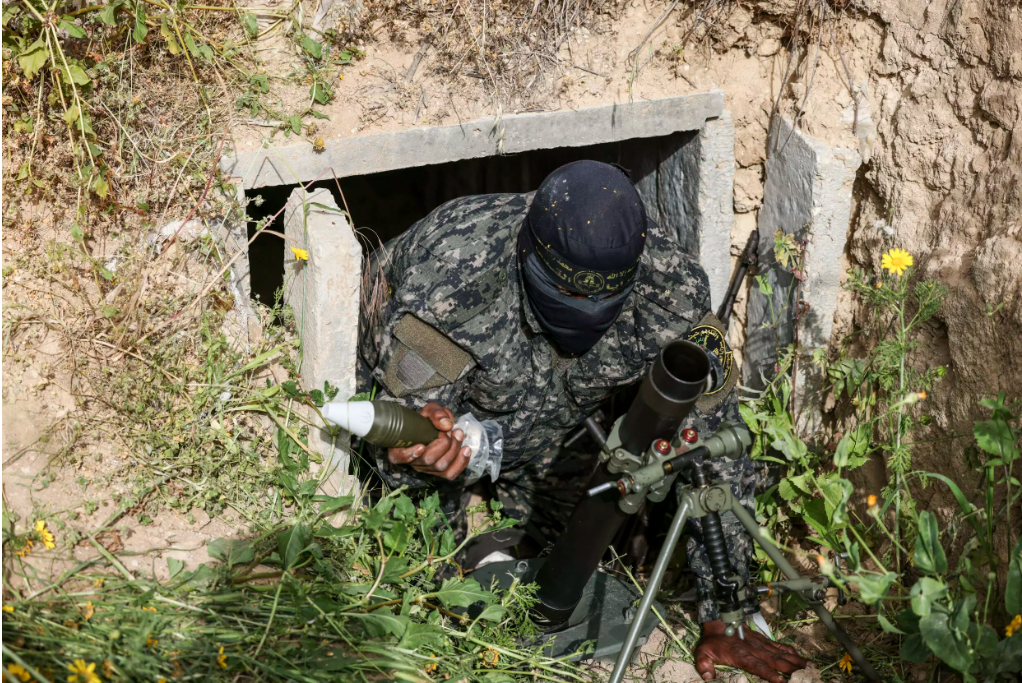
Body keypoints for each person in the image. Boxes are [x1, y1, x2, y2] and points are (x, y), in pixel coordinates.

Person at [358, 160, 809, 682]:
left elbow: (717, 447)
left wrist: (727, 613)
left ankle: (500, 537)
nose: (588, 309)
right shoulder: (456, 270)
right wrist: (417, 450)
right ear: (529, 256)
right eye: (569, 294)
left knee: (575, 562)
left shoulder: (672, 290)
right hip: (454, 427)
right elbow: (403, 435)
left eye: (605, 297)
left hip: (553, 431)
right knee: (429, 595)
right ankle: (464, 551)